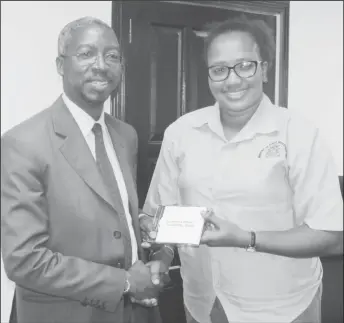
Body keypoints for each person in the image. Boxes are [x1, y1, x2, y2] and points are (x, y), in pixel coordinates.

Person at [140, 16, 343, 323]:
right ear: (208, 76)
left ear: (264, 67)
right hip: (202, 302)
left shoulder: (299, 134)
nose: (232, 80)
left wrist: (246, 238)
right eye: (219, 69)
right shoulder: (181, 132)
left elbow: (330, 235)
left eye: (245, 65)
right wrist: (162, 255)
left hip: (282, 309)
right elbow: (160, 214)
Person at [1, 17, 173, 323]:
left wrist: (148, 249)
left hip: (135, 313)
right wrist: (126, 282)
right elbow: (24, 260)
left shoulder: (126, 135)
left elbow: (113, 219)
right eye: (86, 54)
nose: (101, 65)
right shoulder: (23, 143)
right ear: (60, 65)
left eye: (112, 56)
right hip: (66, 314)